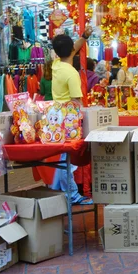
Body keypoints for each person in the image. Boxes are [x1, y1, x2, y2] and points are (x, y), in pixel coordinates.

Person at [50, 28, 93, 205]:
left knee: (63, 158)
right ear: (71, 52)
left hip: (57, 117)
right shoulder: (71, 73)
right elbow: (77, 102)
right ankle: (72, 194)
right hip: (69, 119)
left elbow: (72, 49)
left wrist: (84, 37)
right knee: (68, 160)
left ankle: (57, 190)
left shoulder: (56, 65)